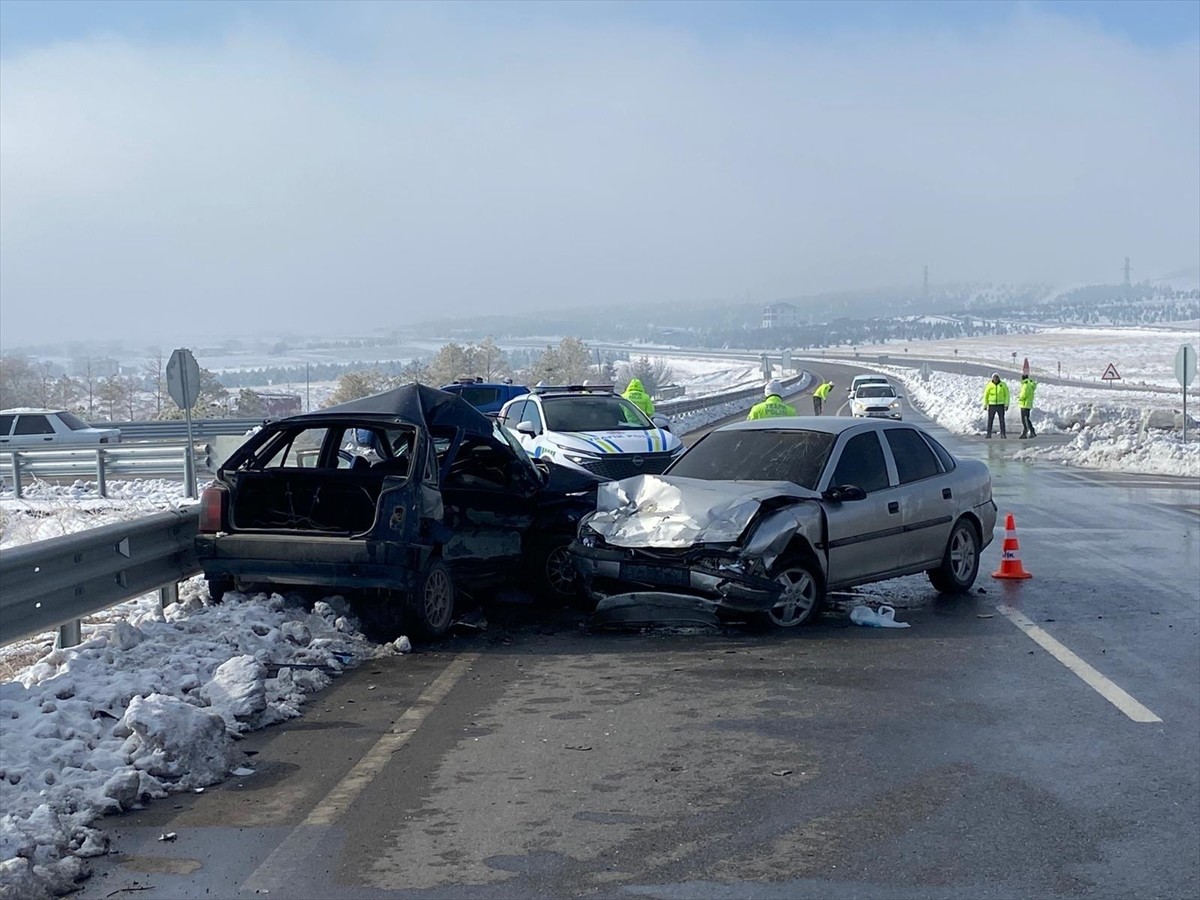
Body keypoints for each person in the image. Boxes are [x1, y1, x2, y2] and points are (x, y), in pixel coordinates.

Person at [982, 373, 1010, 438]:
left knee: (1002, 420)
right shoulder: (989, 385)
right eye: (994, 377)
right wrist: (985, 405)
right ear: (992, 378)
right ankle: (989, 434)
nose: (996, 379)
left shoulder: (1003, 385)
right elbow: (986, 395)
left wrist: (1006, 404)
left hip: (1000, 405)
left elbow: (1007, 395)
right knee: (990, 420)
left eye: (997, 377)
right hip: (992, 405)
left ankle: (1003, 434)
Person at [1017, 374, 1038, 439]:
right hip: (1028, 404)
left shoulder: (1025, 385)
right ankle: (1031, 431)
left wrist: (1019, 398)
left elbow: (1023, 394)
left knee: (1025, 419)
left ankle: (1026, 432)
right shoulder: (1030, 384)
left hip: (1024, 404)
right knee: (1027, 419)